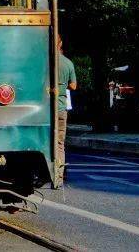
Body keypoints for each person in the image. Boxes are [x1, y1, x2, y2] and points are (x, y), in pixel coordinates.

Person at [56, 36, 77, 184]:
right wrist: (63, 86)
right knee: (59, 143)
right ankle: (58, 174)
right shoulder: (68, 63)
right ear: (61, 44)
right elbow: (74, 86)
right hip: (61, 107)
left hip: (43, 109)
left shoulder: (43, 61)